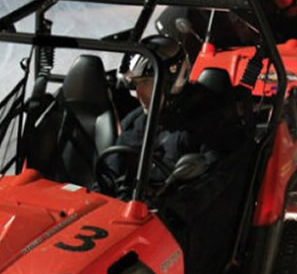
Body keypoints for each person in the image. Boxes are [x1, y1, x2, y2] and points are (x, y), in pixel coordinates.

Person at [103, 35, 243, 195]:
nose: (139, 92)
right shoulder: (135, 122)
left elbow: (213, 188)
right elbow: (108, 176)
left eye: (147, 82)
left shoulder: (211, 124)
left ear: (174, 79)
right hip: (126, 211)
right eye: (136, 83)